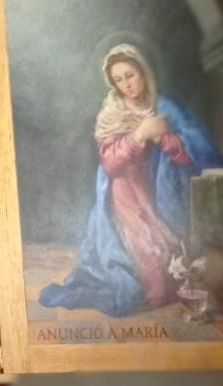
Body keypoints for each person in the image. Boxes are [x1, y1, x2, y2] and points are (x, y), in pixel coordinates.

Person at [38, 43, 223, 316]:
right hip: (125, 194)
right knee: (155, 289)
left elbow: (187, 156)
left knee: (174, 267)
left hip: (161, 191)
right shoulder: (111, 112)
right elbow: (110, 162)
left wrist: (160, 136)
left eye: (130, 75)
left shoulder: (163, 106)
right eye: (119, 79)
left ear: (143, 72)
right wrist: (139, 136)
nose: (126, 84)